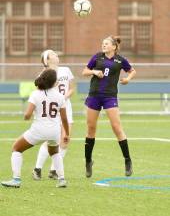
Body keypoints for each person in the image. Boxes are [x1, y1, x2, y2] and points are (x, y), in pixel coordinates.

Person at [1, 69, 69, 188]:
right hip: (54, 131)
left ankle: (16, 179)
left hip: (38, 130)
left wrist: (26, 117)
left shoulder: (36, 94)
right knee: (54, 153)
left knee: (16, 148)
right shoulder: (60, 96)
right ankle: (62, 179)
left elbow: (27, 115)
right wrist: (66, 134)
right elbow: (64, 119)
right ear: (54, 82)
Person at [82, 35, 136, 178]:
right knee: (91, 128)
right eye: (103, 43)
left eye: (106, 44)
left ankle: (127, 161)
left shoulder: (120, 60)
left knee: (117, 127)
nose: (103, 45)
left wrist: (127, 79)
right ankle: (88, 161)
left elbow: (132, 71)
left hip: (110, 97)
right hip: (94, 95)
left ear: (114, 47)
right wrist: (94, 71)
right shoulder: (97, 57)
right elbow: (84, 71)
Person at [32, 49, 74, 180]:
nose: (56, 55)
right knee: (51, 139)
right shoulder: (44, 74)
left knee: (65, 139)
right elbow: (39, 93)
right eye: (53, 54)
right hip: (53, 110)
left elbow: (72, 88)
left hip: (66, 107)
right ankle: (37, 169)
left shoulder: (66, 70)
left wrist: (64, 97)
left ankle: (53, 170)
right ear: (47, 60)